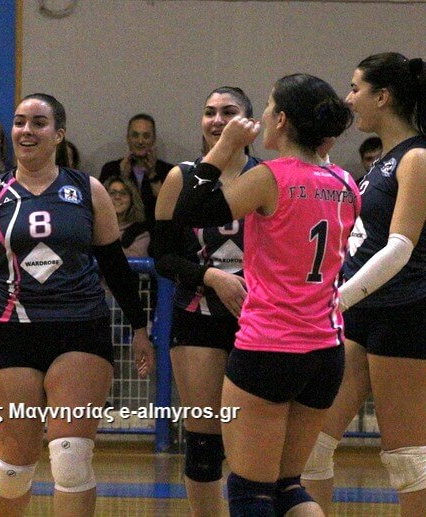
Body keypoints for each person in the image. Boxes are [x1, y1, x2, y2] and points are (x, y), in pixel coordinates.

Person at [0, 93, 154, 517]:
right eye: (19, 122)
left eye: (38, 122)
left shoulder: (86, 189)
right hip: (12, 333)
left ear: (59, 134)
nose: (26, 130)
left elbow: (115, 266)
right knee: (12, 469)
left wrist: (139, 328)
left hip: (80, 329)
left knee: (71, 459)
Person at [173, 74, 357, 516]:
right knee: (289, 487)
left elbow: (192, 211)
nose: (264, 116)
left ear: (282, 120)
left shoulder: (270, 178)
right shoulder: (345, 181)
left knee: (250, 492)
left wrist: (222, 149)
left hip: (270, 347)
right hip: (326, 350)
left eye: (270, 107)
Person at [301, 53, 426, 517]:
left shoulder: (417, 157)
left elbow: (399, 247)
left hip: (406, 312)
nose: (349, 98)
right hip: (359, 314)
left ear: (383, 96)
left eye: (356, 88)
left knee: (407, 459)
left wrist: (335, 300)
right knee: (311, 446)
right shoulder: (379, 164)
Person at [154, 86, 259, 516]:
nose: (217, 120)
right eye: (209, 112)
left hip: (259, 318)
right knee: (203, 445)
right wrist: (211, 277)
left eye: (228, 112)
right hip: (197, 315)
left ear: (249, 123)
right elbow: (162, 256)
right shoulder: (181, 177)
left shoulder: (267, 176)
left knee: (255, 441)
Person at [99, 114, 173, 224]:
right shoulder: (111, 169)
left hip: (156, 230)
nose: (140, 141)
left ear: (153, 140)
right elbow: (102, 207)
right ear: (128, 139)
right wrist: (122, 177)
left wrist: (152, 175)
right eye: (135, 135)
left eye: (146, 136)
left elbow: (170, 209)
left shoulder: (169, 171)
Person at [103, 176, 149, 258]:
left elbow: (135, 260)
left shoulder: (140, 233)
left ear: (132, 200)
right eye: (112, 193)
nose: (117, 197)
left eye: (123, 193)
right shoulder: (93, 228)